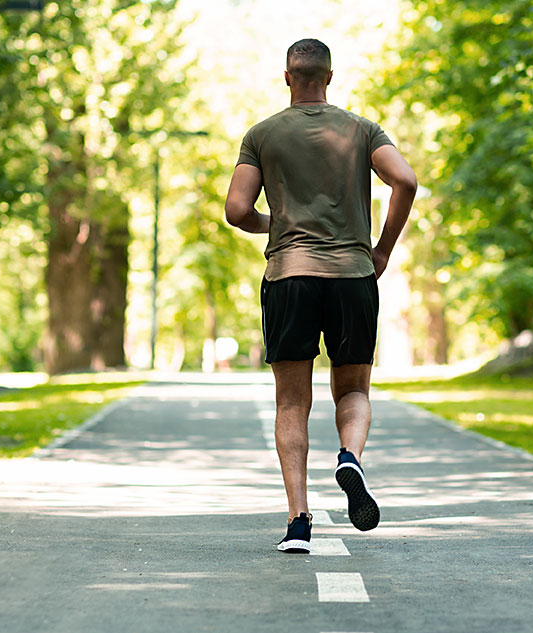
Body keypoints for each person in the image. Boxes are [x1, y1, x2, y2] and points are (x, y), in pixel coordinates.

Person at [224, 38, 417, 553]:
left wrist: (279, 224)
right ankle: (350, 456)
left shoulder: (262, 135)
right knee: (352, 392)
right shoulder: (361, 130)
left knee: (292, 402)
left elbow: (237, 210)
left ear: (287, 77)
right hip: (352, 275)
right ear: (329, 78)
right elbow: (406, 180)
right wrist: (382, 250)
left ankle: (298, 523)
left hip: (289, 276)